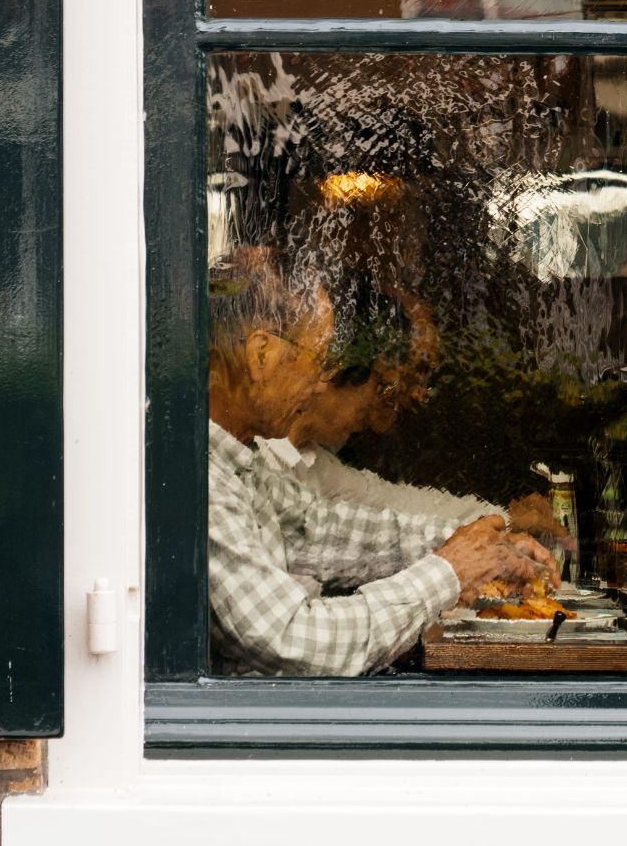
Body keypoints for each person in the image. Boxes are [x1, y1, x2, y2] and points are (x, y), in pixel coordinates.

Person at [206, 248, 556, 676]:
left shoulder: (238, 464)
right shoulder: (201, 482)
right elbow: (294, 638)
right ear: (262, 355)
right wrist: (449, 570)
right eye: (317, 362)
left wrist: (478, 545)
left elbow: (320, 527)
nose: (320, 386)